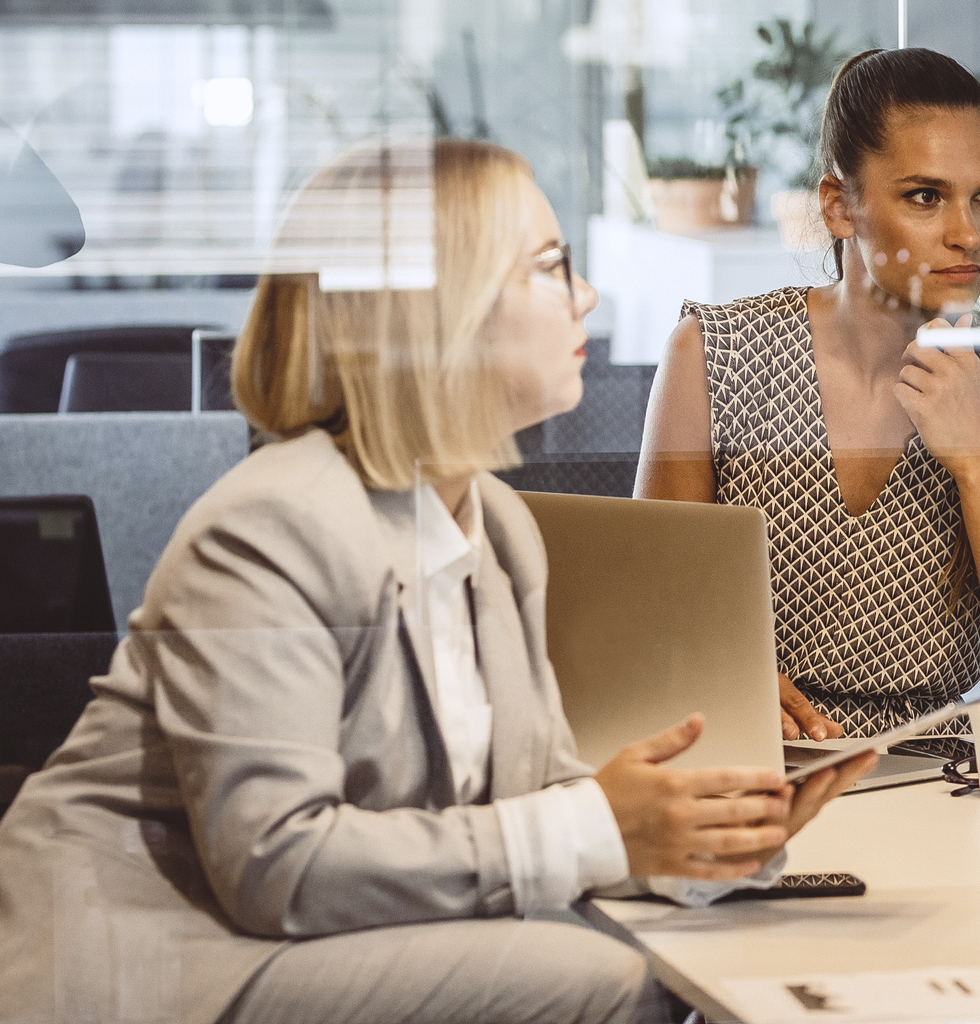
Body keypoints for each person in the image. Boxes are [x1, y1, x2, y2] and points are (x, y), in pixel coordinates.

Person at [0, 138, 873, 1024]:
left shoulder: (494, 530)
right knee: (599, 982)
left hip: (297, 942)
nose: (587, 296)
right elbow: (274, 865)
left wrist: (702, 837)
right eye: (548, 267)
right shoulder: (273, 525)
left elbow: (531, 808)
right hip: (133, 960)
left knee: (670, 964)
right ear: (440, 313)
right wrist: (599, 823)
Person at [636, 48, 980, 745]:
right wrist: (717, 680)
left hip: (939, 791)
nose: (969, 233)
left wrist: (979, 461)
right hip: (746, 771)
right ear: (839, 206)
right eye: (925, 196)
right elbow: (649, 632)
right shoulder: (713, 355)